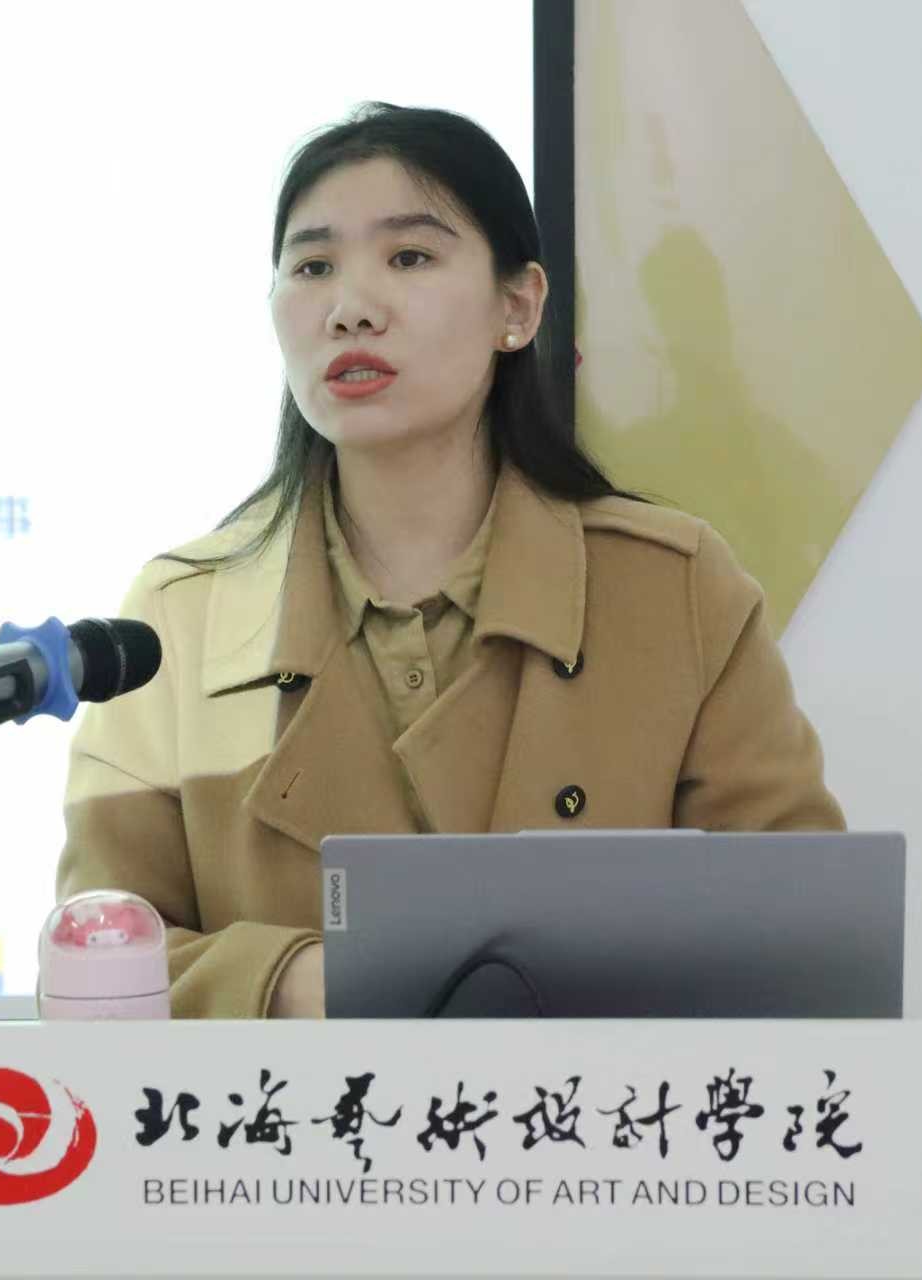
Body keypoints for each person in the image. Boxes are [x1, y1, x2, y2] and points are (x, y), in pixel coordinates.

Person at [55, 103, 844, 1020]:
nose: (350, 307)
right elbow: (94, 958)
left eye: (409, 257)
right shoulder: (177, 619)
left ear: (518, 307)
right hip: (288, 1117)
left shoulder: (673, 591)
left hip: (596, 1113)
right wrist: (308, 982)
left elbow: (802, 936)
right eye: (312, 267)